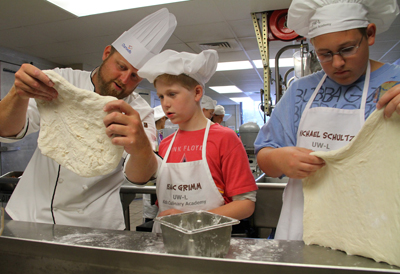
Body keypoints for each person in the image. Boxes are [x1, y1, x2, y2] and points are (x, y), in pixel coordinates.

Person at [0, 8, 177, 230]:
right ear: (106, 53)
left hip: (94, 226)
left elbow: (137, 178)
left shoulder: (139, 112)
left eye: (134, 76)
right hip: (27, 215)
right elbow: (6, 131)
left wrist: (141, 148)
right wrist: (18, 94)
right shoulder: (62, 80)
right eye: (121, 66)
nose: (124, 79)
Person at [254, 0, 400, 241]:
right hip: (303, 227)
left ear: (370, 34)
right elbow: (265, 156)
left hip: (374, 227)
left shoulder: (395, 83)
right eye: (325, 54)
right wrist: (279, 159)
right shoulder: (300, 91)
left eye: (347, 49)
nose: (338, 63)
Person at [105, 49, 258, 233]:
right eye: (161, 96)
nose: (165, 103)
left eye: (172, 94)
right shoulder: (166, 144)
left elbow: (245, 205)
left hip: (208, 241)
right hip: (165, 240)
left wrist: (192, 220)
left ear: (197, 92)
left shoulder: (224, 138)